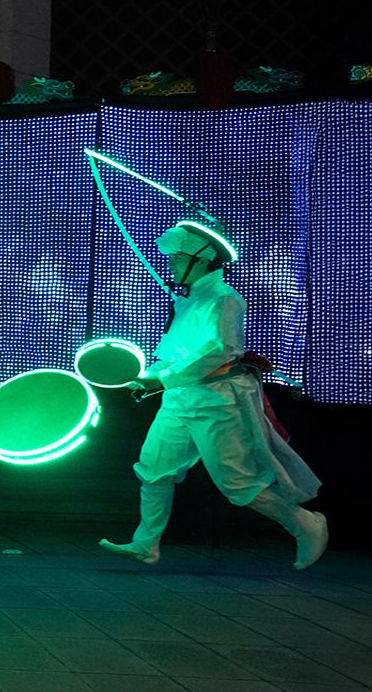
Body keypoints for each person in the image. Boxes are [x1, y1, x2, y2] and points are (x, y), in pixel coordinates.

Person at [99, 220, 326, 569]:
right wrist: (154, 377)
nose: (172, 265)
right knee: (154, 470)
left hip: (217, 402)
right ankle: (146, 543)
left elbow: (218, 351)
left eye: (177, 258)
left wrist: (162, 380)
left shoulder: (224, 299)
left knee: (236, 483)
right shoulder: (190, 300)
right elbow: (180, 354)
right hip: (180, 400)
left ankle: (305, 525)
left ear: (201, 260)